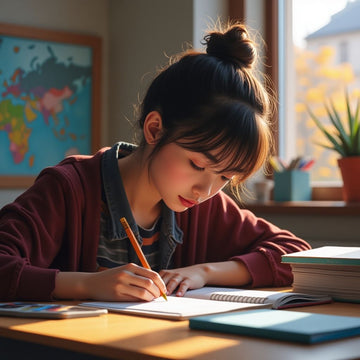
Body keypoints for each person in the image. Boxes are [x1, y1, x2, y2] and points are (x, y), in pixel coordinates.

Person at [0, 22, 310, 302]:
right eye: (198, 165)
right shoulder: (69, 188)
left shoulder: (202, 206)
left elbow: (296, 254)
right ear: (154, 129)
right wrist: (87, 285)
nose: (206, 189)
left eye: (225, 177)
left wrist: (206, 272)